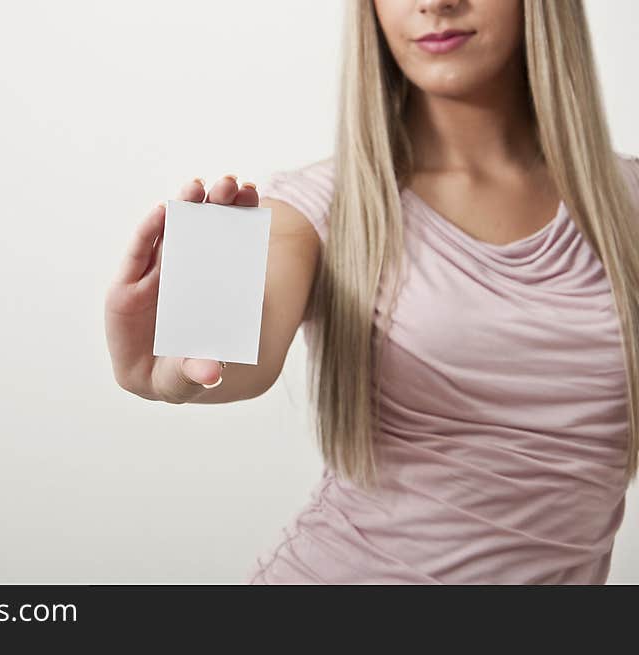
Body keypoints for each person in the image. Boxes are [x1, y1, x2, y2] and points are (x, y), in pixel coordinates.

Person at [104, 0, 639, 584]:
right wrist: (178, 366)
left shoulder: (627, 209)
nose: (435, 4)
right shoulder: (318, 210)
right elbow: (237, 359)